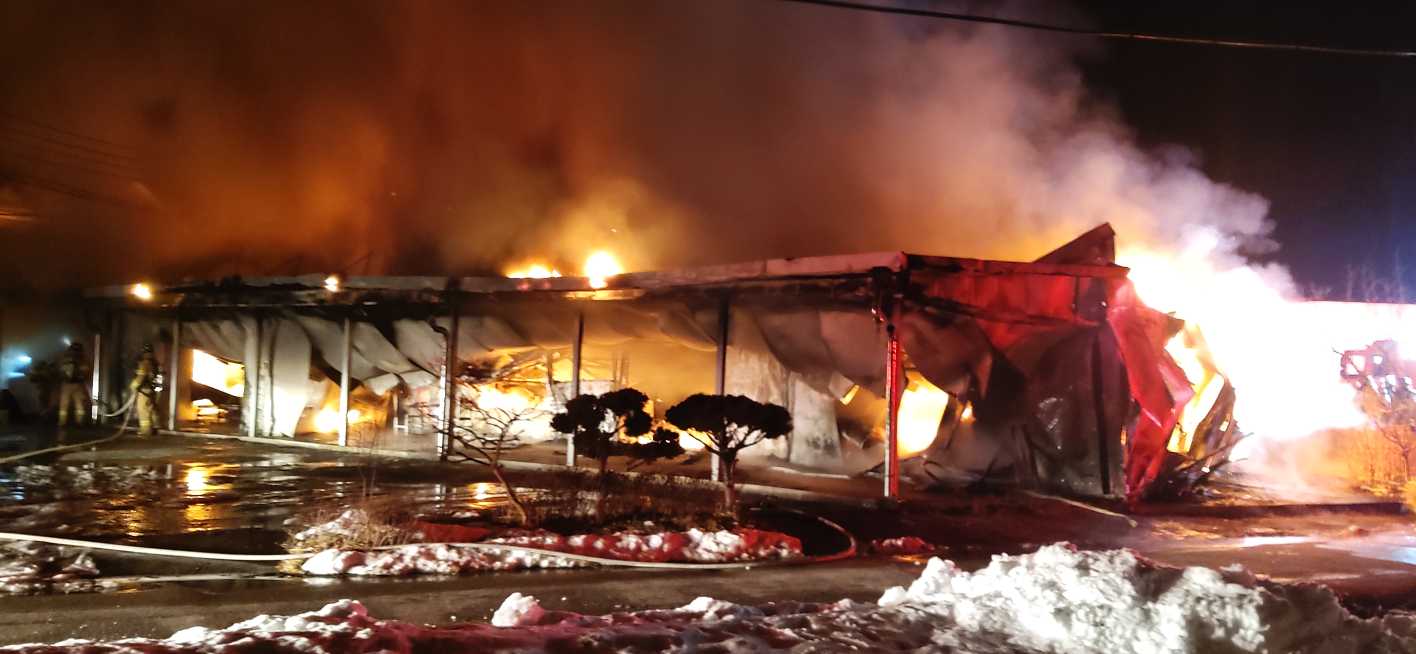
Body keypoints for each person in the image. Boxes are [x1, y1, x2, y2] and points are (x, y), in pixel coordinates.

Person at [129, 344, 162, 436]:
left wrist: (133, 385)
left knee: (143, 410)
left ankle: (146, 430)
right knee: (151, 409)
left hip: (144, 390)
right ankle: (156, 428)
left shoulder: (144, 363)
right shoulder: (155, 364)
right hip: (151, 391)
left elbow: (141, 377)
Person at [56, 342, 90, 427]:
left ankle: (73, 422)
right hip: (71, 384)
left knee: (75, 404)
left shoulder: (78, 360)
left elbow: (85, 371)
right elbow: (62, 370)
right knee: (72, 404)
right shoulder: (74, 359)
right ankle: (73, 422)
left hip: (73, 384)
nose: (75, 352)